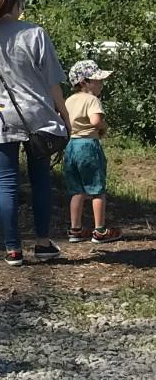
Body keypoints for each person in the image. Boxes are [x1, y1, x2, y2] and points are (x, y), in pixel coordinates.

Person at [0, 0, 69, 266]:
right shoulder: (34, 33)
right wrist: (64, 115)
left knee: (7, 184)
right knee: (40, 180)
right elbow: (52, 82)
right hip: (37, 116)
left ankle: (13, 249)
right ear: (18, 3)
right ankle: (43, 242)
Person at [64, 60, 119, 245]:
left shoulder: (69, 100)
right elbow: (95, 121)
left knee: (76, 190)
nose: (101, 84)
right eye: (97, 80)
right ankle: (100, 230)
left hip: (71, 146)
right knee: (97, 189)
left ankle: (75, 229)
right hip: (89, 146)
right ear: (84, 82)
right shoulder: (92, 100)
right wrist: (103, 126)